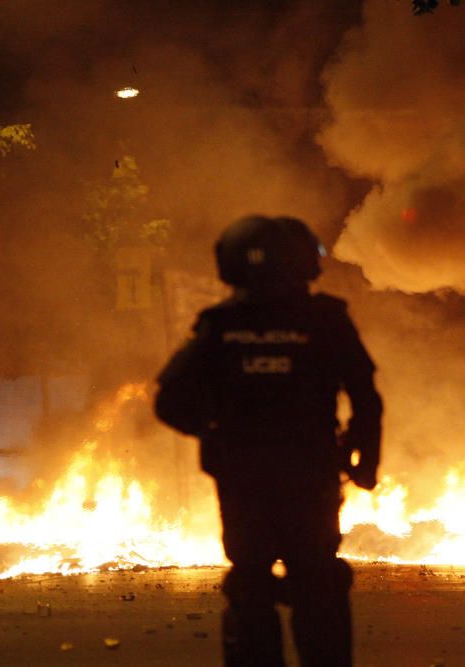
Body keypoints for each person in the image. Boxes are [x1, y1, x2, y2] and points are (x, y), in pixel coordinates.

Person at [153, 215, 382, 666]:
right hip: (310, 477)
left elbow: (169, 400)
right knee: (318, 583)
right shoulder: (327, 321)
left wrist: (215, 436)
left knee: (250, 585)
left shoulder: (220, 326)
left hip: (243, 481)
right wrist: (365, 462)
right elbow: (366, 398)